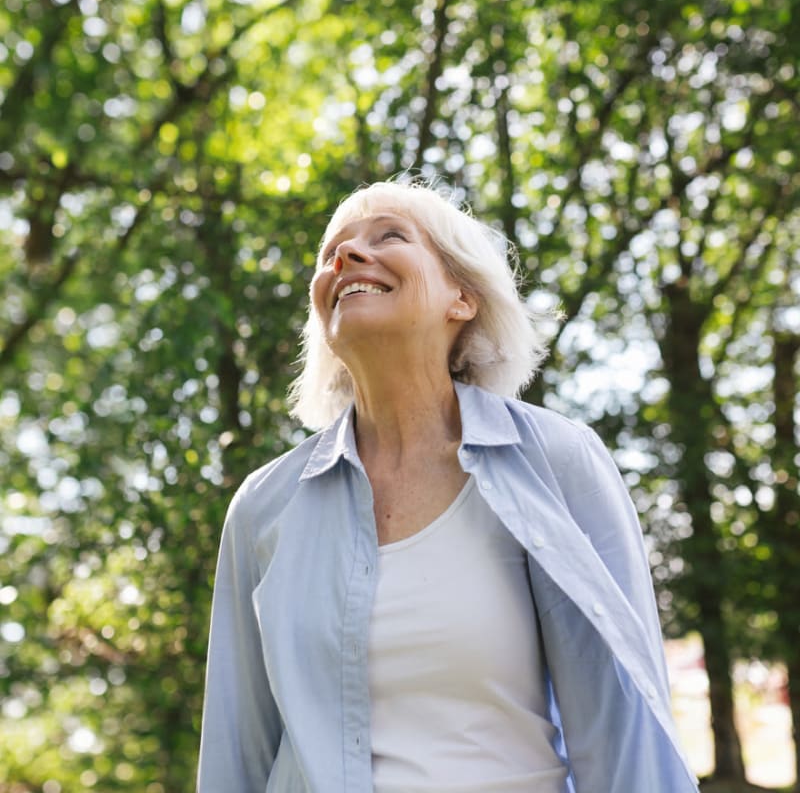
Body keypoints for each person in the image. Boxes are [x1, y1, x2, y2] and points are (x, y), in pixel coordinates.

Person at [196, 179, 699, 792]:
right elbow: (235, 753)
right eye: (332, 252)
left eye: (389, 237)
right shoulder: (262, 507)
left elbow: (626, 726)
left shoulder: (558, 461)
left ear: (461, 298)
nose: (346, 258)